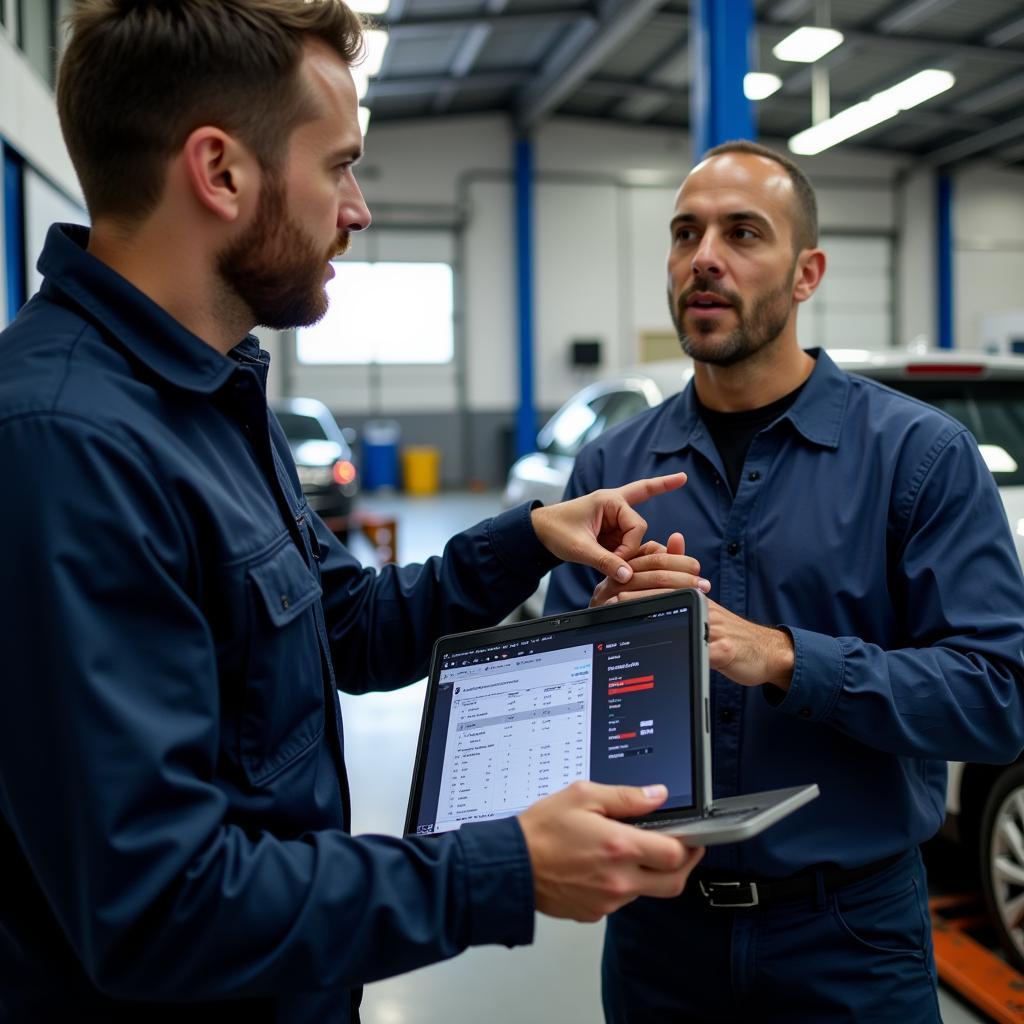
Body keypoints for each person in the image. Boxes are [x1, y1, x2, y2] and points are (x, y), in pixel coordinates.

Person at [0, 2, 706, 1020]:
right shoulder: (65, 445)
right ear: (221, 171)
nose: (358, 208)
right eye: (337, 165)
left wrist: (524, 540)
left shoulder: (211, 399)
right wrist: (497, 868)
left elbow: (342, 627)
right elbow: (156, 906)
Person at [545, 138, 1024, 1023]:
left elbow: (997, 700)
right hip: (661, 944)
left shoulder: (920, 460)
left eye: (742, 233)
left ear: (807, 274)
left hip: (849, 943)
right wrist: (604, 639)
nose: (705, 259)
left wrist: (784, 657)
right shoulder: (614, 465)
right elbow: (563, 722)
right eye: (685, 234)